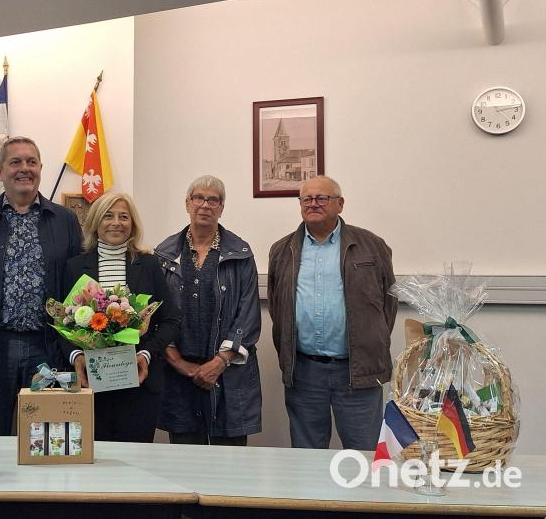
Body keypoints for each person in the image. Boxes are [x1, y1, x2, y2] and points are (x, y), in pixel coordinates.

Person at [0, 136, 82, 436]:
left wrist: (72, 351)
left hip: (48, 350)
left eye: (31, 162)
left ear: (40, 168)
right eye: (15, 162)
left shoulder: (64, 220)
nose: (24, 169)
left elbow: (77, 290)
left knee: (47, 438)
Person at [267, 175, 397, 450]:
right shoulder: (282, 250)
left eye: (322, 198)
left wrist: (370, 343)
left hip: (356, 371)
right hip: (304, 372)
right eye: (307, 199)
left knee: (364, 453)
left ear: (340, 204)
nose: (313, 204)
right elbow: (278, 307)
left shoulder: (372, 245)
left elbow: (389, 303)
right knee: (307, 455)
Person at [62, 193, 180, 443]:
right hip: (90, 384)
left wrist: (145, 354)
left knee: (135, 460)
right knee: (94, 458)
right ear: (95, 222)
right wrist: (77, 356)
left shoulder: (149, 265)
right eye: (108, 216)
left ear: (132, 224)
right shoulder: (74, 267)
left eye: (124, 217)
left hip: (139, 385)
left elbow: (171, 321)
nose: (116, 222)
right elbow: (61, 323)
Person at [155, 175, 263, 445]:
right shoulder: (164, 255)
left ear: (221, 208)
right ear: (187, 203)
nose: (205, 205)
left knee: (230, 460)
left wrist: (219, 362)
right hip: (178, 378)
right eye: (198, 198)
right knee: (186, 457)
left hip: (229, 374)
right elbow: (154, 314)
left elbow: (248, 316)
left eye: (213, 200)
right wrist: (179, 363)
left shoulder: (241, 254)